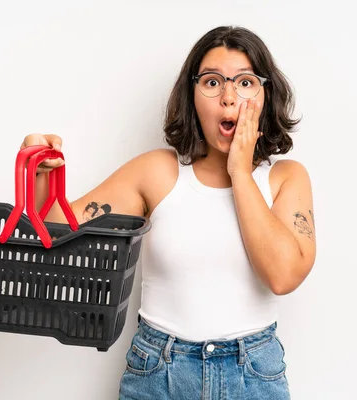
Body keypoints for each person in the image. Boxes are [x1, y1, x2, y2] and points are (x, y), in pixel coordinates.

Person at [21, 25, 316, 400]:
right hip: (158, 373)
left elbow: (283, 276)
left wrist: (240, 171)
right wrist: (38, 169)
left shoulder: (285, 178)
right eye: (212, 82)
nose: (228, 97)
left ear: (265, 93)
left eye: (244, 83)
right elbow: (52, 234)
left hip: (253, 375)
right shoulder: (157, 172)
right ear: (192, 97)